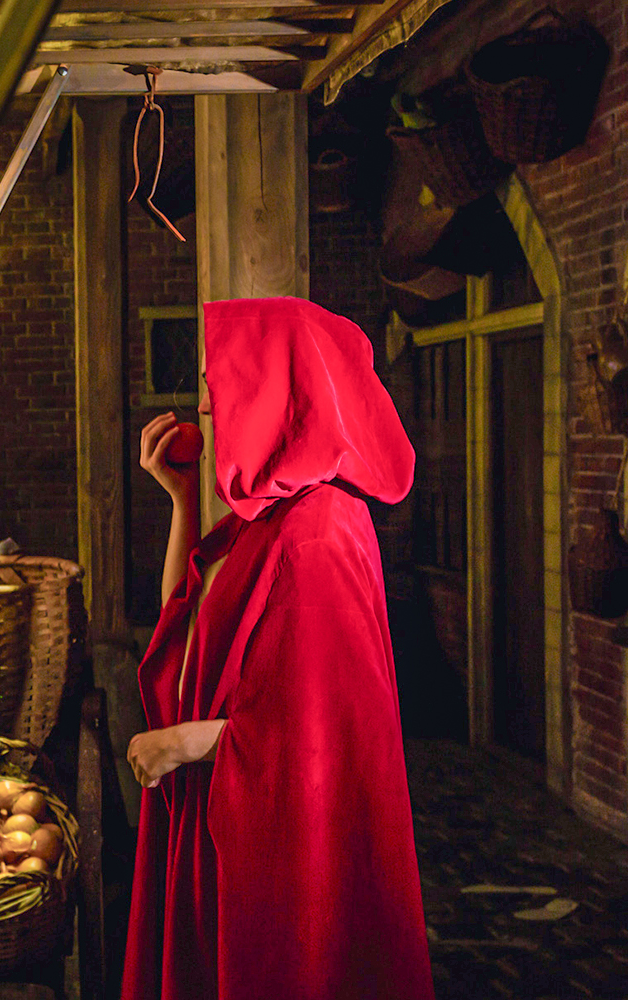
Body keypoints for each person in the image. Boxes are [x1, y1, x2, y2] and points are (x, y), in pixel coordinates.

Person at [121, 297, 435, 1000]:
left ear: (275, 386)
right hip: (220, 821)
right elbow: (189, 619)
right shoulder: (267, 518)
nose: (203, 406)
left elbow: (315, 745)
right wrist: (179, 500)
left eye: (217, 381)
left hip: (268, 851)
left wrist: (183, 745)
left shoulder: (321, 532)